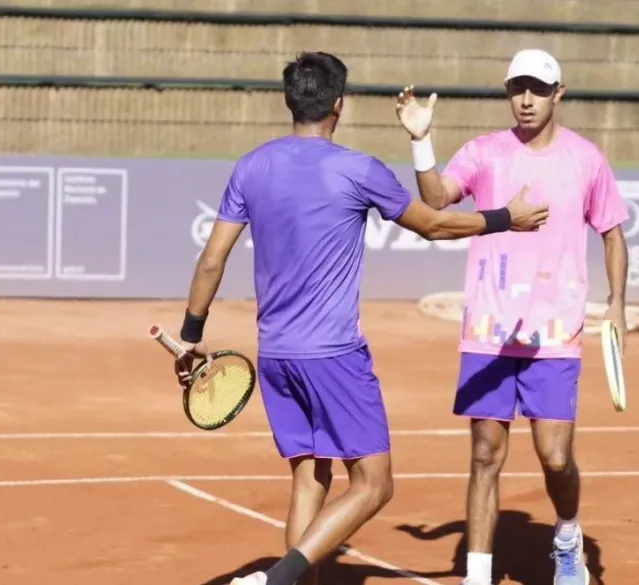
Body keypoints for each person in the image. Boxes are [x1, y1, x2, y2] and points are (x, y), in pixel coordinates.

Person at [171, 51, 550, 585]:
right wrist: (506, 217)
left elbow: (212, 260)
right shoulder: (358, 169)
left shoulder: (251, 166)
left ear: (290, 102)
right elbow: (435, 225)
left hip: (276, 355)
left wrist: (191, 334)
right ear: (339, 105)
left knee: (310, 478)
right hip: (334, 356)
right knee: (374, 484)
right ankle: (273, 580)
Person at [394, 49, 631, 585]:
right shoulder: (484, 153)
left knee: (555, 457)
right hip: (489, 330)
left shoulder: (586, 159)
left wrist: (617, 302)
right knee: (485, 454)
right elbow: (436, 199)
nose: (527, 100)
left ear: (558, 94)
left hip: (555, 332)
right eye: (517, 88)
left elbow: (613, 234)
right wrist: (421, 141)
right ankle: (477, 574)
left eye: (538, 90)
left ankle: (566, 536)